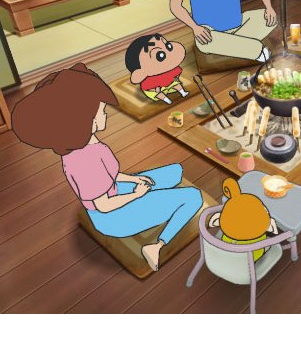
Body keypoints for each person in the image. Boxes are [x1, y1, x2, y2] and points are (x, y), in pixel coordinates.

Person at [10, 63, 202, 271]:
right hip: (113, 218)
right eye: (101, 110)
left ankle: (155, 199)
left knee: (175, 172)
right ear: (83, 120)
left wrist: (133, 179)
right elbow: (104, 205)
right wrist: (136, 194)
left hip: (114, 190)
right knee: (193, 197)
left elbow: (110, 175)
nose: (105, 114)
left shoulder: (88, 142)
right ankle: (156, 246)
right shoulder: (83, 162)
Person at [125, 32, 189, 104]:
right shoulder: (148, 80)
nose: (170, 54)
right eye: (160, 55)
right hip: (156, 89)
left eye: (168, 46)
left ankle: (183, 92)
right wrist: (155, 89)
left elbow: (177, 73)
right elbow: (147, 87)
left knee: (177, 84)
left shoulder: (170, 70)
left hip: (169, 84)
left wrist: (175, 78)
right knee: (156, 94)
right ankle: (166, 100)